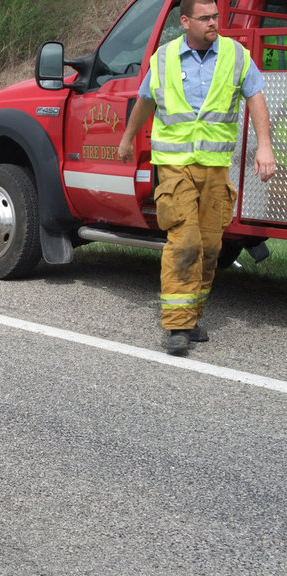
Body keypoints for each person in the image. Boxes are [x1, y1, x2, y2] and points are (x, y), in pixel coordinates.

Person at [118, 0, 276, 355]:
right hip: (175, 168)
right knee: (185, 241)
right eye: (205, 18)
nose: (213, 23)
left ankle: (191, 315)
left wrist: (265, 147)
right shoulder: (163, 58)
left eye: (215, 17)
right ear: (185, 21)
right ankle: (176, 326)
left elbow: (256, 98)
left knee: (209, 247)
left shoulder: (235, 55)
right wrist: (128, 138)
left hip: (215, 168)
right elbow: (145, 100)